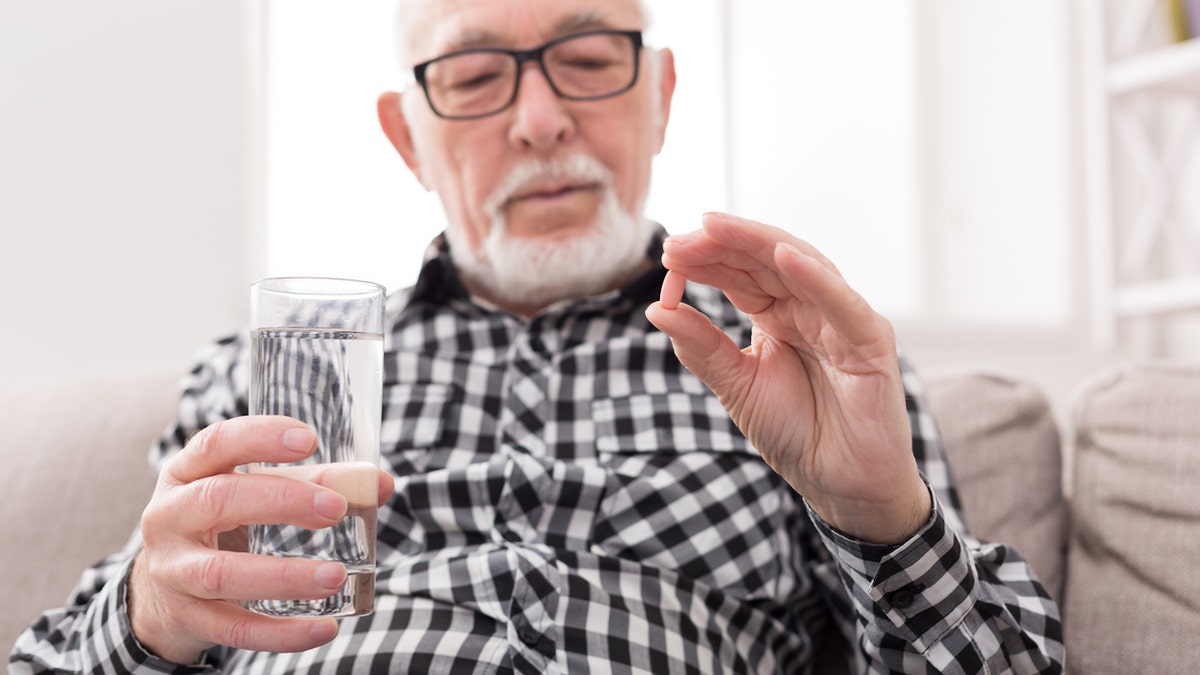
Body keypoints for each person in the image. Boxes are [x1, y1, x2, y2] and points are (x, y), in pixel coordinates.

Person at [10, 0, 1064, 672]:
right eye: (473, 77)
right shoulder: (285, 375)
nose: (541, 120)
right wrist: (147, 615)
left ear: (660, 98)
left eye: (591, 58)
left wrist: (886, 517)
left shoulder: (802, 363)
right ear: (406, 136)